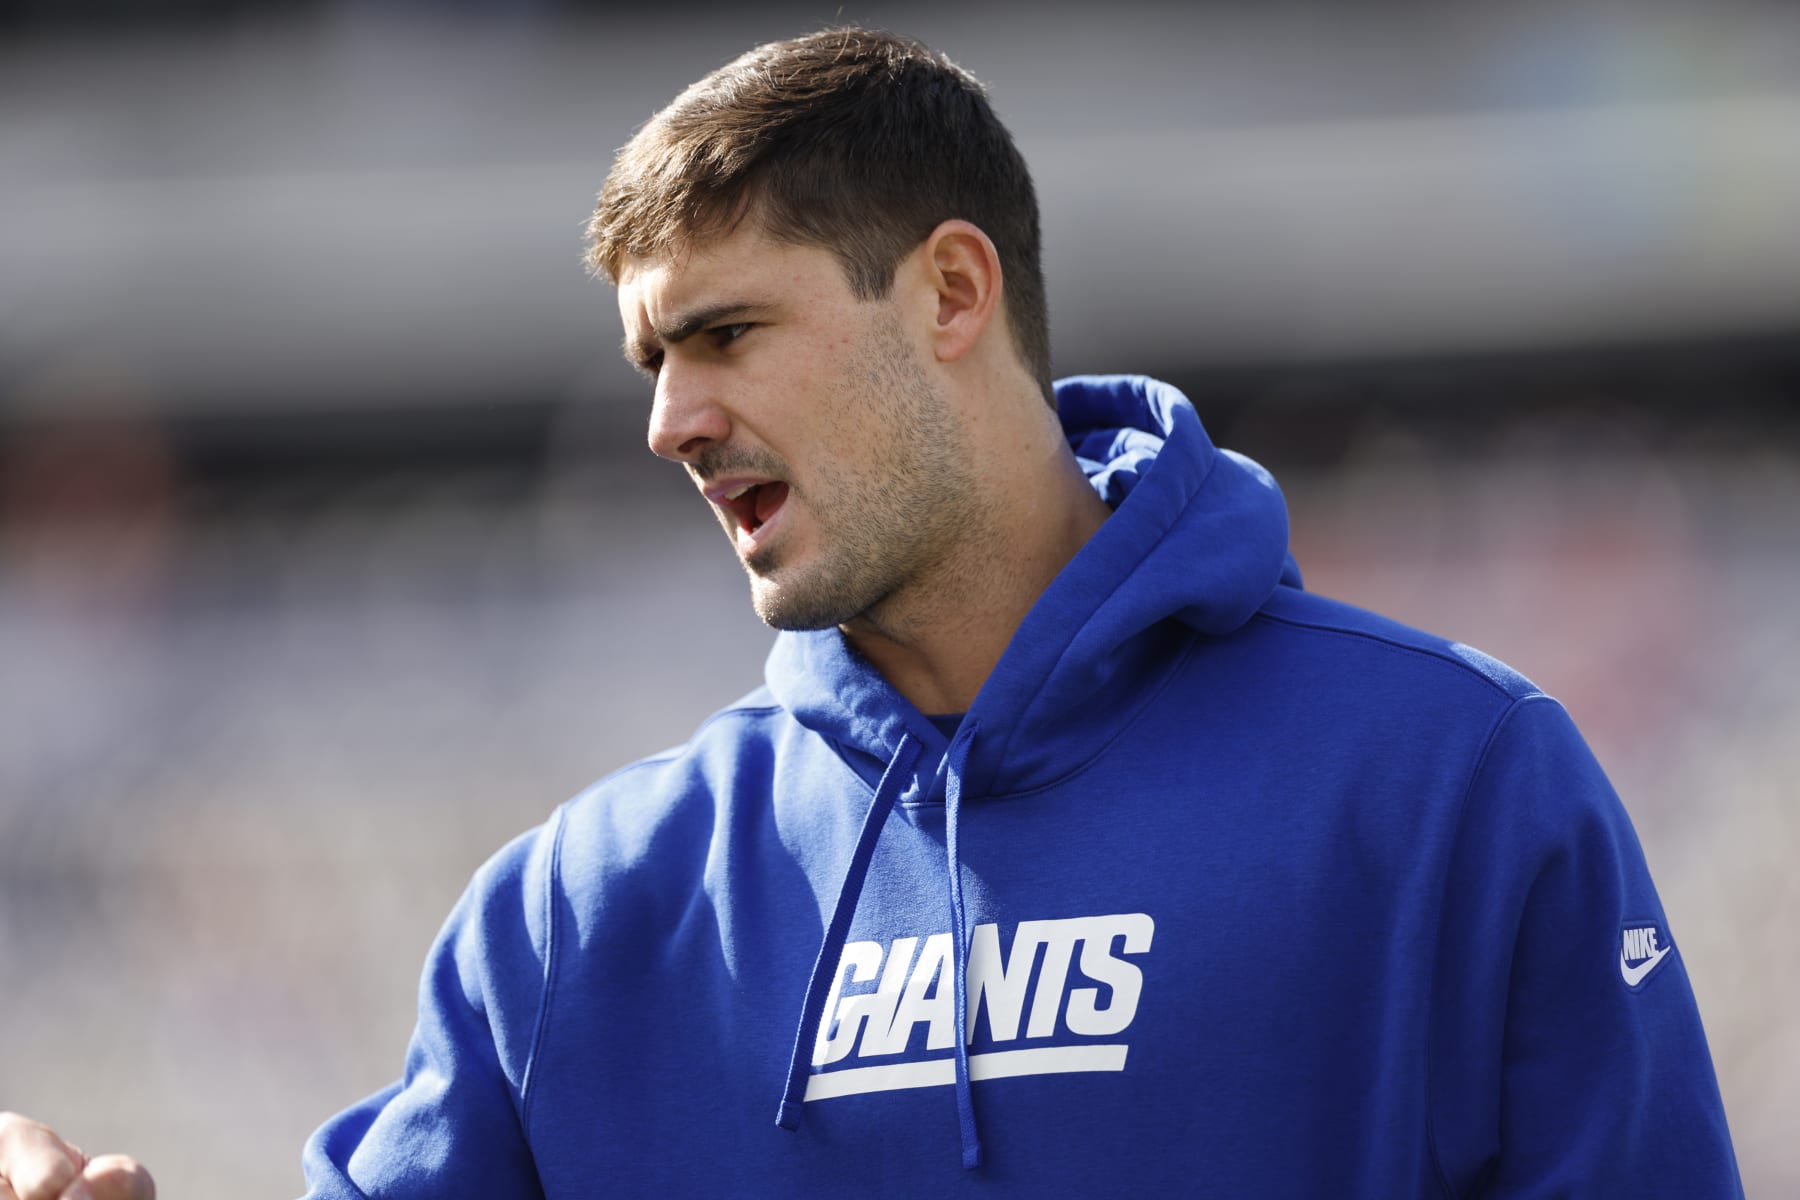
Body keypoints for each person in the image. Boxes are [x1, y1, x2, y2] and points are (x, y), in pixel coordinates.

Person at [2, 27, 1743, 1200]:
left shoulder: (1446, 784)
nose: (669, 424)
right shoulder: (576, 920)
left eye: (727, 335)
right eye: (650, 360)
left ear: (952, 294)